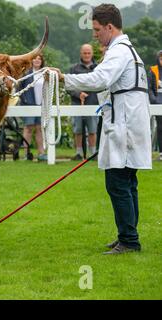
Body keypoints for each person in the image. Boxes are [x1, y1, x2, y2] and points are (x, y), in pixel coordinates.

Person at [51, 4, 152, 254]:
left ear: (109, 27)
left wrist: (64, 78)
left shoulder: (119, 51)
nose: (94, 34)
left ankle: (129, 240)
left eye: (97, 29)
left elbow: (99, 79)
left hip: (125, 124)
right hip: (129, 122)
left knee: (118, 183)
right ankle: (127, 235)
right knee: (127, 183)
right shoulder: (127, 50)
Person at [66, 44, 99, 160]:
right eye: (84, 53)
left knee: (92, 129)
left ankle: (93, 153)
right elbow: (68, 87)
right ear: (81, 53)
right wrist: (78, 94)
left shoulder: (98, 68)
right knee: (78, 129)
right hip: (77, 103)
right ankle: (79, 153)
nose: (86, 55)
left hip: (93, 102)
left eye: (88, 53)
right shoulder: (74, 69)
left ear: (92, 53)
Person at [18, 54, 47, 161]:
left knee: (40, 129)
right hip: (29, 105)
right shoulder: (26, 73)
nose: (37, 60)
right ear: (31, 60)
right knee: (28, 128)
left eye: (39, 58)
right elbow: (19, 88)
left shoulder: (45, 73)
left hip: (42, 105)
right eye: (35, 58)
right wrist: (24, 100)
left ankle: (41, 153)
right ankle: (26, 154)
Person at [149, 50, 162, 161]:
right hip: (158, 103)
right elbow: (149, 88)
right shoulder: (153, 70)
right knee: (160, 127)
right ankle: (161, 153)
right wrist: (154, 100)